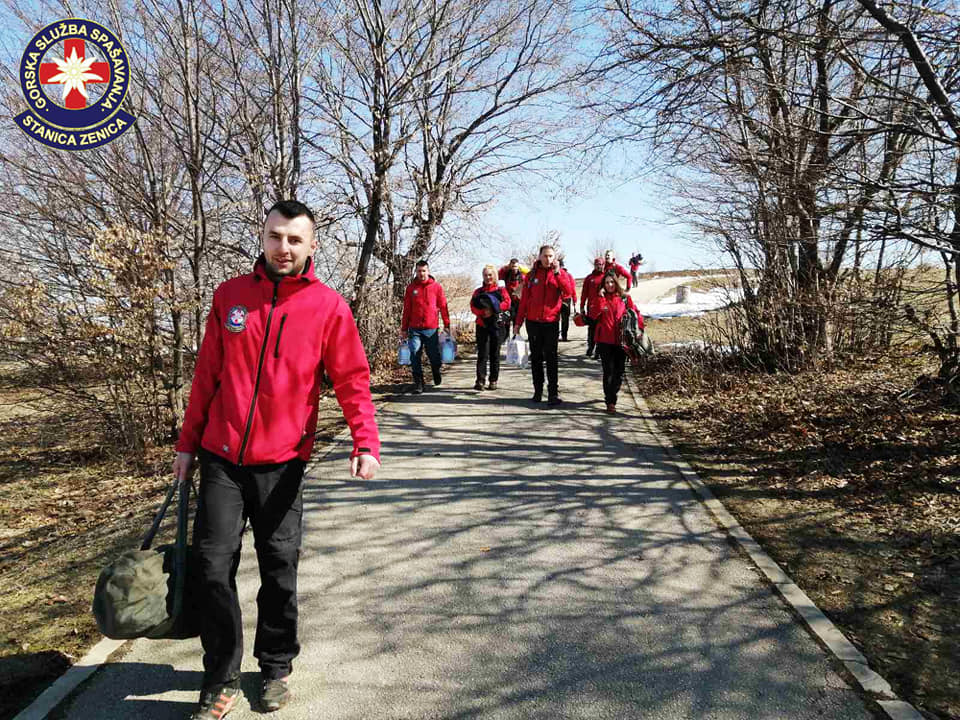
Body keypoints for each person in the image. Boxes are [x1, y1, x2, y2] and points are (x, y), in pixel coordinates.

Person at [173, 200, 381, 719]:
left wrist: (365, 441)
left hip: (284, 462)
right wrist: (187, 444)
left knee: (279, 568)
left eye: (294, 239)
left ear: (311, 245)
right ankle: (220, 676)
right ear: (262, 237)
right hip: (222, 456)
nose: (282, 247)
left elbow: (352, 379)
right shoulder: (230, 296)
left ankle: (275, 666)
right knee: (211, 565)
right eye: (274, 236)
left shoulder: (328, 307)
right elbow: (207, 375)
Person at [513, 245, 575, 405]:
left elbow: (568, 292)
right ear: (540, 257)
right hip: (533, 322)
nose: (548, 259)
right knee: (536, 358)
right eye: (545, 256)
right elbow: (524, 301)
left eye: (551, 256)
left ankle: (553, 393)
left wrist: (558, 273)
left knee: (551, 358)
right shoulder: (531, 275)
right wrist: (518, 323)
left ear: (555, 258)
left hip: (551, 322)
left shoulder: (560, 274)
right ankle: (538, 391)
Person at [400, 260, 451, 394]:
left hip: (431, 329)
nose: (421, 273)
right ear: (416, 272)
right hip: (414, 329)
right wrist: (404, 329)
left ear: (428, 271)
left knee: (433, 355)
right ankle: (419, 383)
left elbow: (443, 306)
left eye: (424, 271)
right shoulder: (411, 288)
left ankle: (436, 370)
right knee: (414, 353)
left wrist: (447, 324)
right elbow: (407, 309)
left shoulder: (436, 287)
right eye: (419, 271)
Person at [594, 271, 640, 413]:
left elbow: (636, 314)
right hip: (604, 341)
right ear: (603, 285)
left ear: (616, 282)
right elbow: (594, 314)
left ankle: (612, 393)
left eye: (612, 282)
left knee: (619, 372)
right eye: (607, 282)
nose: (609, 285)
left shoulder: (625, 298)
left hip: (622, 341)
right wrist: (600, 298)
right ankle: (610, 401)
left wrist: (639, 331)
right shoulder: (600, 298)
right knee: (608, 371)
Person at [470, 265, 511, 391]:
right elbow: (472, 306)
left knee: (495, 354)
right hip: (482, 325)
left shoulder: (501, 290)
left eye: (490, 275)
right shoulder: (478, 292)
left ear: (495, 276)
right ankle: (480, 380)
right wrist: (483, 312)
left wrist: (493, 309)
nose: (488, 277)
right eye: (485, 275)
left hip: (497, 326)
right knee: (482, 354)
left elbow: (507, 303)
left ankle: (493, 380)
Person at [579, 256, 605, 358]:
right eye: (597, 264)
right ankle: (590, 347)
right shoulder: (589, 278)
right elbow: (584, 293)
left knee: (601, 331)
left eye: (601, 264)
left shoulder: (606, 277)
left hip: (603, 309)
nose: (599, 266)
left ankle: (598, 350)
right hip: (591, 309)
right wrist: (582, 306)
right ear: (594, 265)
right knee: (591, 330)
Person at [498, 258, 527, 326]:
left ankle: (515, 332)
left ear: (518, 266)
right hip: (508, 302)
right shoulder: (506, 274)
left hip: (518, 302)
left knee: (516, 323)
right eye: (512, 266)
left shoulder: (522, 276)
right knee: (506, 323)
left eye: (515, 266)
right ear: (510, 266)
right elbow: (498, 275)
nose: (514, 269)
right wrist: (505, 268)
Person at [557, 257, 577, 342]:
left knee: (565, 319)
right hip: (556, 299)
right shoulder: (553, 274)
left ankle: (564, 335)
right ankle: (556, 335)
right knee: (556, 318)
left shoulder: (568, 275)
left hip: (566, 299)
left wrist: (574, 299)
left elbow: (572, 288)